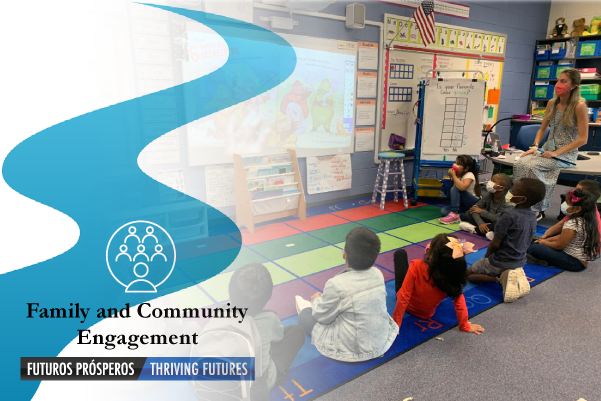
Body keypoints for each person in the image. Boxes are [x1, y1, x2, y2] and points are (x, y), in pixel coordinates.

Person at [296, 227, 398, 362]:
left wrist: (316, 301)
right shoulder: (378, 274)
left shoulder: (336, 284)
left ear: (344, 254)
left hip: (353, 349)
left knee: (305, 316)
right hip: (380, 341)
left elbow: (322, 317)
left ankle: (309, 305)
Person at [513, 68, 589, 220]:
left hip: (565, 155)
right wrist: (535, 146)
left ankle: (537, 209)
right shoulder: (552, 103)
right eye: (558, 81)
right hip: (547, 150)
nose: (558, 85)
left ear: (573, 86)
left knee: (532, 166)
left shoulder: (579, 106)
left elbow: (583, 139)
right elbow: (542, 129)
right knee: (521, 163)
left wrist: (556, 153)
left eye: (563, 81)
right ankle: (520, 203)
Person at [228, 263, 305, 397]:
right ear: (267, 297)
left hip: (224, 382)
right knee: (296, 332)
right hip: (257, 387)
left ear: (231, 293)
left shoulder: (220, 312)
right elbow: (279, 337)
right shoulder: (268, 317)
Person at [466, 178, 546, 302]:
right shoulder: (533, 216)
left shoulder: (508, 216)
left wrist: (487, 257)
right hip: (519, 260)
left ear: (522, 199)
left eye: (513, 190)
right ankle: (507, 274)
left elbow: (495, 243)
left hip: (500, 260)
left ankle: (499, 279)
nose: (510, 192)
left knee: (468, 275)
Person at [392, 234, 485, 335]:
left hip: (408, 306)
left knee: (400, 254)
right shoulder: (454, 277)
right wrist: (465, 325)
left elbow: (403, 297)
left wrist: (395, 325)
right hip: (426, 314)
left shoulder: (416, 266)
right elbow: (460, 305)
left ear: (431, 255)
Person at [527, 188, 601, 271]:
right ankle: (540, 257)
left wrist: (544, 242)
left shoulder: (573, 223)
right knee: (538, 242)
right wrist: (544, 239)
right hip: (578, 259)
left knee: (535, 248)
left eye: (567, 203)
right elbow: (562, 237)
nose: (564, 204)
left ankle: (535, 257)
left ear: (577, 209)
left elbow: (559, 246)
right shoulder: (588, 219)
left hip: (575, 262)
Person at [536, 179, 601, 241]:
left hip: (585, 249)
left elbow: (560, 240)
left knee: (535, 248)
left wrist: (543, 240)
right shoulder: (586, 206)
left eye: (578, 190)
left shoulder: (582, 212)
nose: (574, 192)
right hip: (585, 244)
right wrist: (544, 236)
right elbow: (561, 224)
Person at [459, 173, 512, 240]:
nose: (490, 182)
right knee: (468, 213)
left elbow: (498, 218)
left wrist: (481, 211)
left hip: (496, 221)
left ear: (501, 188)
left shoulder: (507, 200)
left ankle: (474, 229)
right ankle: (487, 230)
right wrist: (481, 223)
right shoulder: (490, 194)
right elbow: (474, 208)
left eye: (493, 181)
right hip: (488, 219)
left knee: (500, 223)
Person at [440, 155, 481, 224]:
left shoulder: (469, 174)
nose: (455, 165)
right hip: (463, 205)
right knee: (444, 211)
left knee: (455, 188)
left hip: (473, 203)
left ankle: (455, 214)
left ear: (466, 168)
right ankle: (465, 216)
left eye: (458, 164)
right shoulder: (458, 175)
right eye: (455, 163)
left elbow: (462, 187)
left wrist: (453, 176)